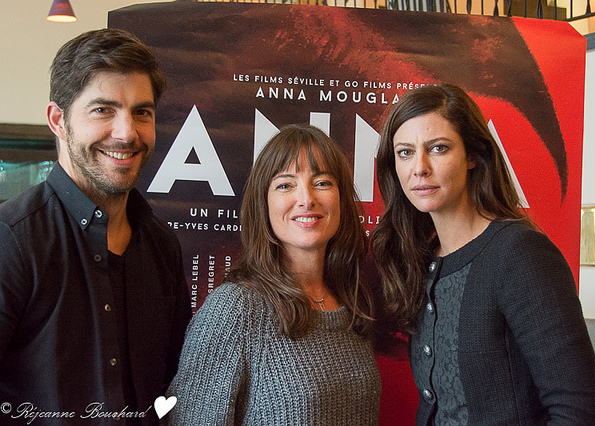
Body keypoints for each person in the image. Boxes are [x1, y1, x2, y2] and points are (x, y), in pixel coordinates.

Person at [370, 84, 595, 425]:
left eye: (438, 148)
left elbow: (581, 414)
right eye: (405, 152)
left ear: (472, 156)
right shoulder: (422, 260)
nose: (419, 167)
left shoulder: (520, 254)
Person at [0, 29, 191, 425]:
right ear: (58, 120)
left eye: (142, 112)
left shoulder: (162, 246)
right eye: (103, 110)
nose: (127, 133)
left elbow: (176, 385)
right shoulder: (11, 239)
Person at [166, 124, 381, 425]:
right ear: (263, 204)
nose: (306, 199)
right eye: (285, 185)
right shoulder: (234, 309)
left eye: (322, 183)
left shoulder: (351, 300)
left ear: (342, 200)